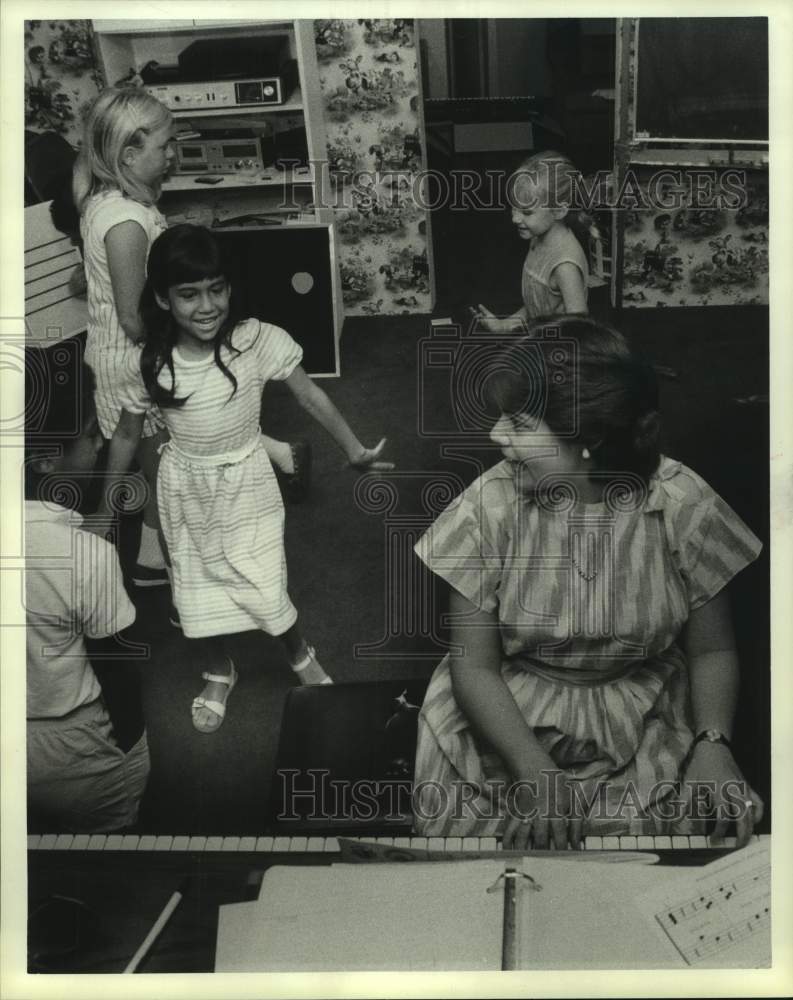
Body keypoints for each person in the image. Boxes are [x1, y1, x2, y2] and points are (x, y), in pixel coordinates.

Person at [413, 317, 764, 849]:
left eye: (520, 424)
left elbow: (713, 650)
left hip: (641, 718)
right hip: (503, 720)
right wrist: (534, 771)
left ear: (589, 439)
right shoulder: (486, 508)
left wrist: (713, 743)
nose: (495, 436)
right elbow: (474, 666)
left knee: (637, 880)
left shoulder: (683, 503)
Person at [100, 224, 393, 733]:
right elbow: (126, 437)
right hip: (184, 490)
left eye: (217, 289)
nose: (207, 305)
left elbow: (310, 396)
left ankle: (300, 655)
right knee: (193, 590)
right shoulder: (149, 362)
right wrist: (104, 510)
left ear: (230, 289)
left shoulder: (258, 340)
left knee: (264, 585)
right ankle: (219, 669)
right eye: (188, 294)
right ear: (164, 300)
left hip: (248, 484)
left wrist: (354, 450)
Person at [73, 90, 309, 591]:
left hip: (126, 358)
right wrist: (203, 334)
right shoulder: (126, 223)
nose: (173, 154)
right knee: (167, 474)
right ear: (128, 156)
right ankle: (173, 570)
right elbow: (136, 319)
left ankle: (152, 558)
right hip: (134, 361)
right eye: (165, 145)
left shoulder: (110, 202)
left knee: (169, 455)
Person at [25, 350, 150, 832]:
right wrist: (133, 752)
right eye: (89, 432)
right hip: (69, 751)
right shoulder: (87, 557)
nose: (99, 444)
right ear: (44, 461)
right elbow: (117, 673)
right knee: (110, 860)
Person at [472, 151, 597, 331]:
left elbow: (579, 327)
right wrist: (504, 325)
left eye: (527, 212)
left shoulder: (564, 267)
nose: (515, 219)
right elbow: (538, 305)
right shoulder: (538, 238)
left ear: (559, 211)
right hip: (539, 338)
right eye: (514, 208)